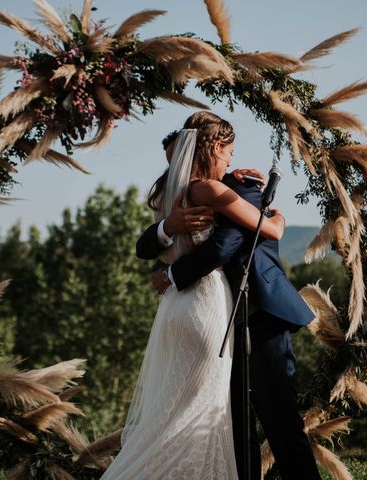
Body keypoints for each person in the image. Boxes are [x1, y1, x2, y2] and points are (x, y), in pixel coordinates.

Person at [101, 111, 285, 480]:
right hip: (206, 305)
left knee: (174, 408)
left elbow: (151, 241)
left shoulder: (166, 191)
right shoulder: (211, 190)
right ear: (215, 147)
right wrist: (277, 216)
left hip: (174, 306)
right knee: (201, 410)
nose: (232, 159)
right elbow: (268, 231)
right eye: (229, 151)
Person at [136, 129, 321, 480]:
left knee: (278, 416)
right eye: (228, 152)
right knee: (233, 422)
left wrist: (173, 273)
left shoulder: (242, 188)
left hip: (260, 311)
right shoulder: (180, 195)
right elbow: (146, 243)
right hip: (217, 315)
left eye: (232, 151)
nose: (232, 159)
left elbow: (226, 244)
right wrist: (168, 227)